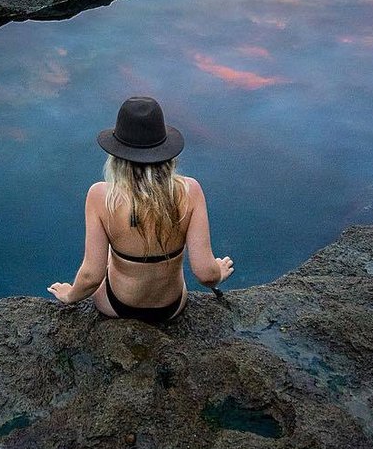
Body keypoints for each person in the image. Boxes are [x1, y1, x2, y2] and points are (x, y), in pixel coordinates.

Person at [47, 96, 234, 322]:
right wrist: (218, 273)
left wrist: (70, 295)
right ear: (165, 150)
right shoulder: (190, 191)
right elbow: (205, 274)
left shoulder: (100, 196)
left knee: (110, 251)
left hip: (116, 305)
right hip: (171, 307)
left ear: (116, 154)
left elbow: (90, 276)